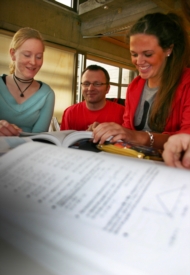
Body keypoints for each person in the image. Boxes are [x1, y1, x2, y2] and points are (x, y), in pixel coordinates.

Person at [92, 12, 190, 150]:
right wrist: (110, 132)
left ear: (169, 49)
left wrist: (138, 137)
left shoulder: (187, 83)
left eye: (148, 54)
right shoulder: (134, 86)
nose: (139, 61)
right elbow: (128, 128)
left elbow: (187, 137)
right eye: (134, 54)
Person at [0, 27, 55, 136]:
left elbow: (39, 137)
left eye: (39, 57)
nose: (33, 62)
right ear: (12, 54)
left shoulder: (47, 94)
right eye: (27, 55)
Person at [60, 64, 125, 131]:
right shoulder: (70, 113)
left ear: (107, 88)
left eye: (97, 84)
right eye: (86, 83)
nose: (90, 88)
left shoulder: (123, 113)